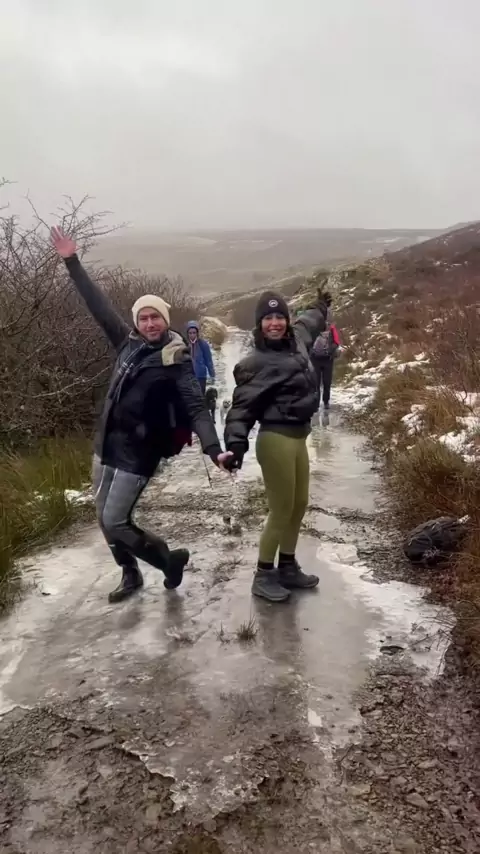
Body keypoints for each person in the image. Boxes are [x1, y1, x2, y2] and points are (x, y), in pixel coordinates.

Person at [50, 226, 232, 604]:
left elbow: (196, 408)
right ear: (136, 322)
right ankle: (130, 572)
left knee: (115, 519)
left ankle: (167, 560)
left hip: (139, 453)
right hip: (106, 444)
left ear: (165, 320)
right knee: (104, 517)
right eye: (144, 318)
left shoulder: (176, 360)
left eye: (156, 317)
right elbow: (97, 304)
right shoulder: (126, 343)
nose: (150, 324)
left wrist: (214, 449)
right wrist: (72, 262)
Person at [223, 290, 328, 603]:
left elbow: (310, 322)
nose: (274, 323)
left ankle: (288, 566)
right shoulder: (255, 363)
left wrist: (321, 305)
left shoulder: (298, 341)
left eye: (279, 316)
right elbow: (240, 411)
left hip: (298, 438)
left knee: (299, 505)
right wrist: (235, 446)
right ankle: (263, 573)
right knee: (282, 509)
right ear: (259, 324)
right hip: (275, 440)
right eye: (267, 318)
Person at [310, 292, 340, 412]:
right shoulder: (330, 327)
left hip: (316, 359)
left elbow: (307, 341)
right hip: (327, 359)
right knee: (326, 383)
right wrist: (330, 351)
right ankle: (325, 403)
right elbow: (336, 341)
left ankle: (318, 404)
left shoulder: (313, 327)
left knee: (317, 383)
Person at [186, 321, 215, 394]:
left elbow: (208, 360)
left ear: (197, 333)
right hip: (188, 376)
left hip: (201, 376)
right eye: (190, 333)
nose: (192, 335)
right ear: (187, 333)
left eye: (194, 333)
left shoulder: (203, 344)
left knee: (200, 395)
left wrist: (212, 375)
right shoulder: (184, 344)